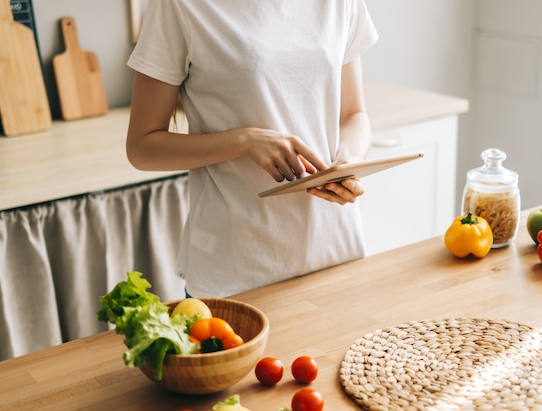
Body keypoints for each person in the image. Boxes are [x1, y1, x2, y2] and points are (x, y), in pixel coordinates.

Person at [126, 0, 379, 298]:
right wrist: (243, 141)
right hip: (238, 270)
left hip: (334, 250)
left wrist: (348, 164)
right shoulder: (179, 6)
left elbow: (353, 114)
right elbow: (142, 147)